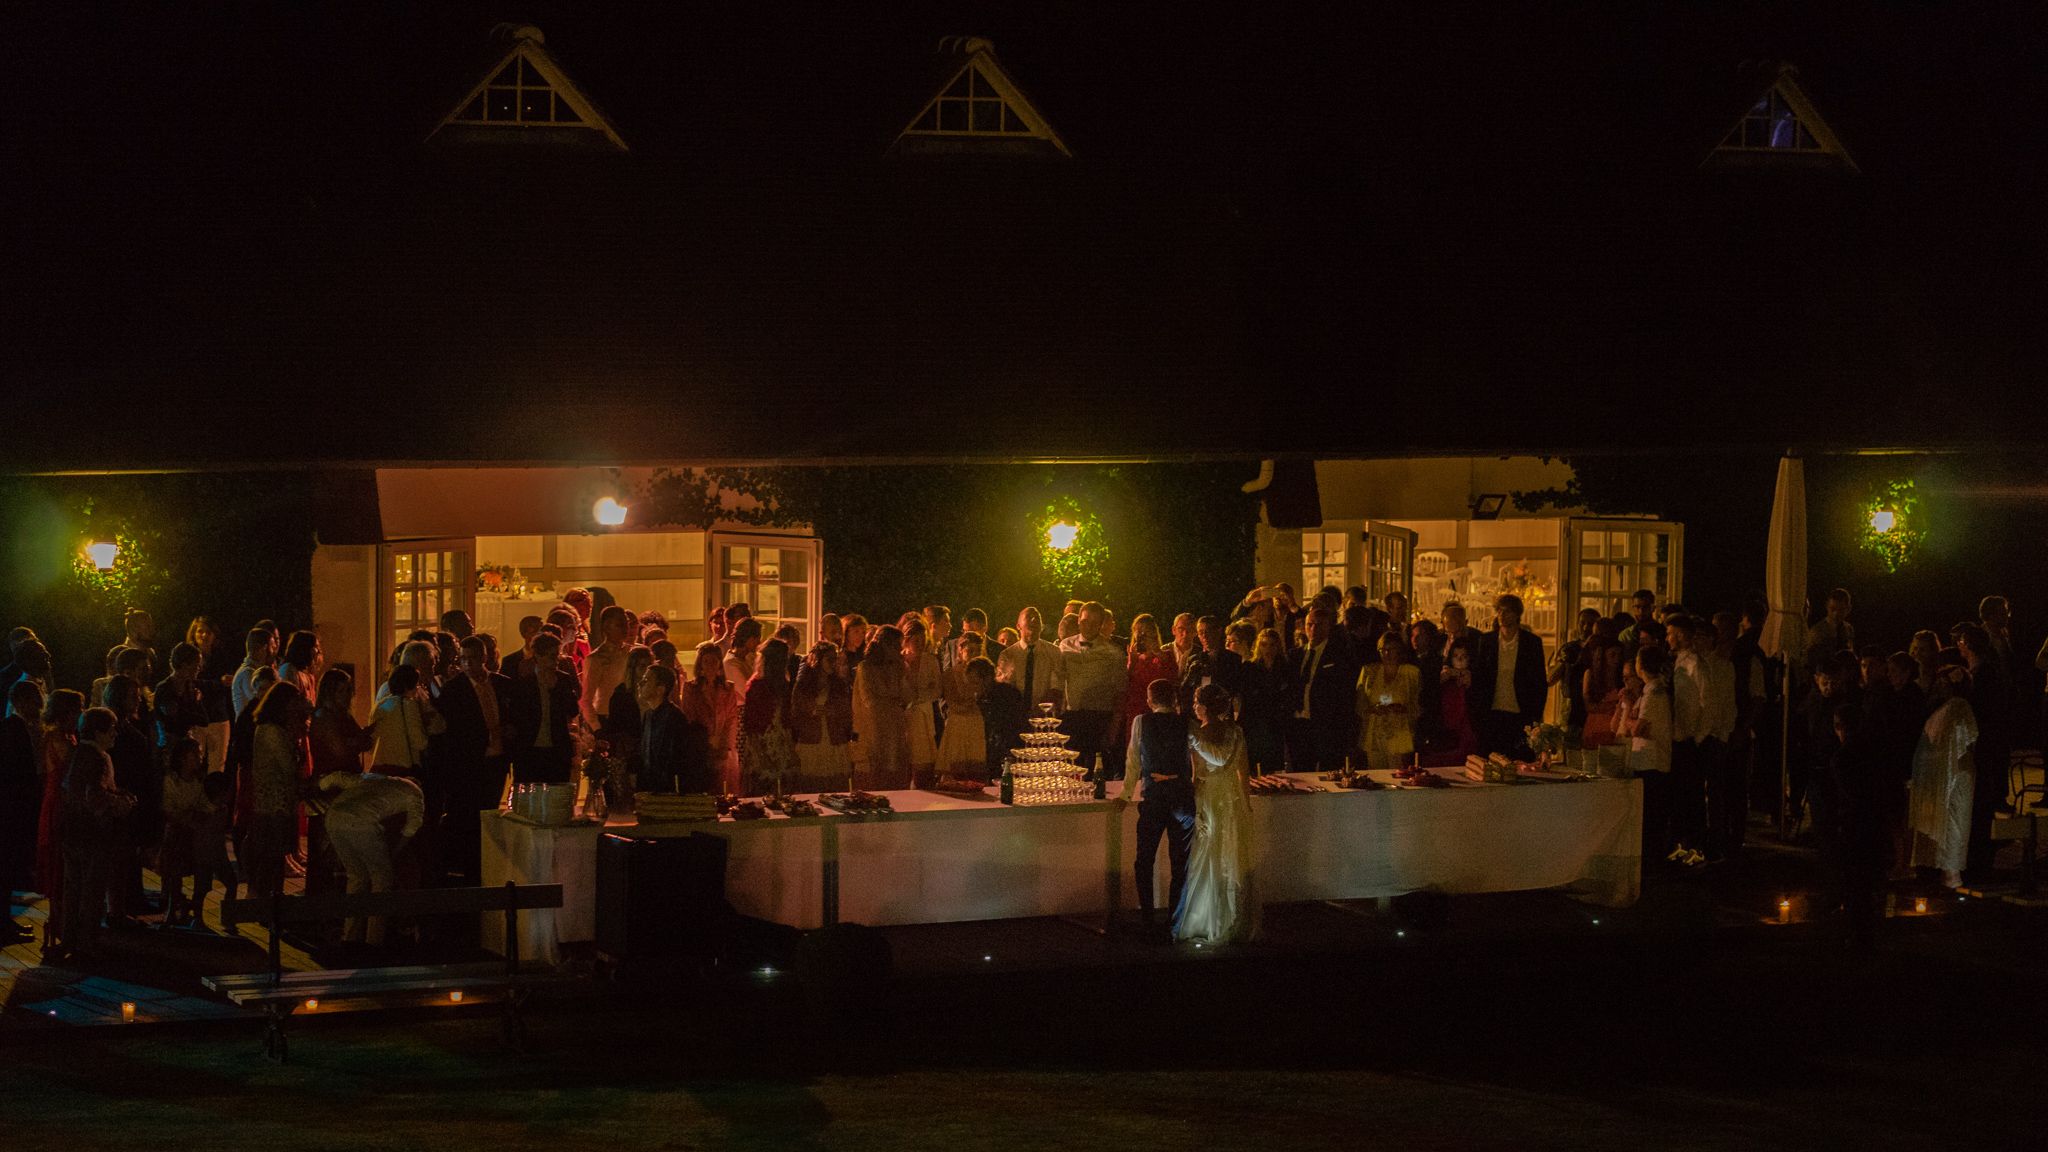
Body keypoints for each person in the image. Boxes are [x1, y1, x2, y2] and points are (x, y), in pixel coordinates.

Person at [1176, 683, 1260, 944]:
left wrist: (1192, 800)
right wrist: (1245, 803)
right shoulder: (1236, 732)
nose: (1192, 706)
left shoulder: (1196, 734)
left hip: (1209, 796)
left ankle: (1210, 918)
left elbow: (1195, 774)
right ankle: (1234, 919)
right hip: (1231, 796)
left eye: (1195, 702)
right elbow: (1243, 771)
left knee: (1210, 854)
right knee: (1230, 854)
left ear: (1204, 707)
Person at [1118, 678, 1195, 933]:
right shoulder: (1188, 723)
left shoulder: (1141, 722)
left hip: (1153, 799)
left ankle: (1148, 919)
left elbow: (1133, 761)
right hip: (1182, 799)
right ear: (1174, 700)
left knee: (1144, 861)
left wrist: (1126, 794)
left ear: (1150, 700)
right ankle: (1175, 922)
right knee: (1180, 863)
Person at [58, 708, 134, 961]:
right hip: (93, 834)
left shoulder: (77, 753)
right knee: (92, 889)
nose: (115, 733)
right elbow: (95, 796)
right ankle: (87, 941)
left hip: (72, 832)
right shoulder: (100, 758)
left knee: (73, 888)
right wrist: (120, 803)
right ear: (99, 731)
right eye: (111, 728)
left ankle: (69, 936)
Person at [318, 769, 425, 947]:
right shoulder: (416, 792)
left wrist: (321, 785)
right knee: (381, 879)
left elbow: (339, 777)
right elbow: (412, 826)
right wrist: (396, 851)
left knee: (356, 877)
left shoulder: (377, 778)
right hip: (363, 822)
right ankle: (373, 940)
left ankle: (350, 937)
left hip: (334, 818)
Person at [435, 639, 513, 883]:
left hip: (497, 760)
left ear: (484, 657)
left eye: (472, 658)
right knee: (470, 818)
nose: (468, 664)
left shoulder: (501, 684)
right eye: (463, 659)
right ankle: (472, 871)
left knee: (491, 812)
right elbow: (455, 731)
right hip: (470, 764)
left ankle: (489, 865)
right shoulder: (454, 689)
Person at [1953, 622, 2011, 878]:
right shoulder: (1985, 671)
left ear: (1966, 645)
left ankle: (1978, 861)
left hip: (1982, 747)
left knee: (1978, 804)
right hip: (1986, 746)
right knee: (1978, 804)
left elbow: (1980, 711)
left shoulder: (1982, 674)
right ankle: (1977, 858)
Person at [245, 684, 309, 902]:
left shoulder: (272, 729)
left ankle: (271, 899)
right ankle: (265, 900)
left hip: (276, 801)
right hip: (274, 803)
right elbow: (288, 765)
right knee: (271, 855)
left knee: (274, 856)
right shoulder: (272, 731)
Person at [34, 689, 84, 951]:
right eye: (78, 710)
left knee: (62, 867)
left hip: (60, 800)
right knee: (57, 865)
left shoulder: (68, 735)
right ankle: (56, 924)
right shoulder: (56, 737)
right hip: (58, 804)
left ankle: (61, 924)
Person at [105, 676, 158, 915]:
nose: (138, 700)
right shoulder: (116, 729)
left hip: (133, 795)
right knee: (123, 852)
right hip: (124, 796)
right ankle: (125, 903)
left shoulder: (127, 725)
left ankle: (133, 896)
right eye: (133, 696)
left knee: (131, 851)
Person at [1472, 594, 1547, 759]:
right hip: (1492, 711)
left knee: (1519, 757)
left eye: (1507, 611)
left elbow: (1539, 681)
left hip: (1520, 712)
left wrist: (1536, 715)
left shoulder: (1531, 643)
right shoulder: (1487, 641)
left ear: (1517, 614)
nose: (1502, 615)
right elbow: (1479, 678)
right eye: (1499, 611)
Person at [1059, 603, 1127, 781]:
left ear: (1101, 624)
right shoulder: (1064, 646)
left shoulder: (1114, 653)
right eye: (1085, 621)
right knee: (1069, 772)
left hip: (1099, 718)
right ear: (1079, 621)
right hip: (1071, 716)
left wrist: (1114, 727)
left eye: (1094, 623)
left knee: (1095, 774)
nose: (1088, 626)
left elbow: (1120, 692)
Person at [1623, 645, 1676, 862]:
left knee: (1650, 816)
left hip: (1651, 762)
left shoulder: (1654, 693)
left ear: (1641, 666)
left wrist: (1627, 714)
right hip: (1648, 760)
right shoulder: (1651, 691)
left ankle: (1652, 861)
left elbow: (1639, 729)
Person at [1285, 603, 1353, 773]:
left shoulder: (1338, 654)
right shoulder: (1295, 655)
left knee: (1327, 770)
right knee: (1301, 771)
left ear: (1328, 626)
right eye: (1310, 624)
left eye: (1319, 624)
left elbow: (1343, 692)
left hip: (1324, 725)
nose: (1313, 629)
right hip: (1298, 724)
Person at [1, 678, 43, 943]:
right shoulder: (14, 730)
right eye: (34, 701)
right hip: (11, 810)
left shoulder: (14, 727)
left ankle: (6, 923)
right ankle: (4, 926)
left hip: (11, 808)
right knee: (5, 870)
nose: (38, 707)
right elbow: (18, 774)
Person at [508, 633, 579, 784]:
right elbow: (518, 717)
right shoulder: (525, 684)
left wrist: (555, 690)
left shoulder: (563, 680)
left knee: (556, 795)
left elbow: (573, 710)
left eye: (557, 655)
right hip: (530, 750)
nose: (556, 660)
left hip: (557, 750)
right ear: (538, 657)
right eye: (551, 656)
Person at [639, 665, 712, 794]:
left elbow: (674, 758)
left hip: (669, 790)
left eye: (646, 680)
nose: (640, 684)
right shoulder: (648, 715)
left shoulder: (674, 718)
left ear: (660, 689)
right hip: (652, 788)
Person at [790, 643, 853, 792]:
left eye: (835, 659)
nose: (833, 663)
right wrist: (812, 710)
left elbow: (846, 710)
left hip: (834, 738)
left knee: (835, 783)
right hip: (812, 738)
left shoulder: (838, 684)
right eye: (829, 659)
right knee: (813, 783)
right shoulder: (804, 684)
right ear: (818, 660)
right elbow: (796, 709)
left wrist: (833, 711)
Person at [852, 626, 910, 790]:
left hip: (895, 728)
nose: (900, 650)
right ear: (885, 645)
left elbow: (908, 696)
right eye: (897, 645)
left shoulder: (897, 668)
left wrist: (904, 672)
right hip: (874, 729)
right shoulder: (866, 668)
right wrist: (892, 702)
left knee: (896, 773)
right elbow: (869, 701)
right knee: (876, 774)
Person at [739, 639, 798, 796]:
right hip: (763, 741)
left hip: (779, 741)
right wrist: (760, 753)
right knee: (763, 788)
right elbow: (751, 724)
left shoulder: (782, 684)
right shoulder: (757, 685)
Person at [680, 642, 741, 794]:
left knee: (725, 789)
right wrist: (706, 740)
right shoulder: (690, 688)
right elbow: (690, 717)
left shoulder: (728, 688)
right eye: (706, 661)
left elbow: (732, 719)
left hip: (722, 747)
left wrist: (725, 745)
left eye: (714, 661)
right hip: (700, 747)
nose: (710, 666)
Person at [158, 737, 206, 927]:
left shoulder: (199, 781)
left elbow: (203, 805)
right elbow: (168, 808)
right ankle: (172, 908)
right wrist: (187, 817)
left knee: (200, 873)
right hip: (177, 833)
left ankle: (197, 910)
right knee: (174, 874)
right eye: (195, 754)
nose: (199, 757)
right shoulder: (172, 781)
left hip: (193, 833)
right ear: (182, 758)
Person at [1356, 632, 1420, 771]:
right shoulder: (1369, 672)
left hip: (1400, 732)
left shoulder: (1411, 673)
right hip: (1374, 732)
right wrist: (1372, 709)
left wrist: (1403, 709)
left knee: (1398, 771)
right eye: (1383, 650)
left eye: (1391, 649)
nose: (1387, 654)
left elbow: (1417, 702)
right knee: (1375, 772)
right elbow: (1360, 703)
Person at [368, 664, 437, 777]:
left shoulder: (380, 705)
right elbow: (419, 742)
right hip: (402, 770)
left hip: (379, 769)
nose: (418, 687)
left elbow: (371, 744)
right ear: (408, 685)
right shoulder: (408, 705)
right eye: (417, 684)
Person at [935, 636, 987, 782]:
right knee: (955, 769)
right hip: (957, 724)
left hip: (976, 723)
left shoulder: (985, 674)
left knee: (975, 770)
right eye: (970, 651)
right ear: (960, 650)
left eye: (977, 651)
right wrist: (966, 706)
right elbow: (951, 701)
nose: (973, 655)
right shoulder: (950, 674)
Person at [1237, 628, 1289, 775]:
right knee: (1255, 762)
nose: (1268, 649)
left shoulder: (1284, 668)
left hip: (1275, 722)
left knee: (1273, 763)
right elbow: (1247, 696)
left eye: (1272, 645)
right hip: (1255, 722)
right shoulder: (1250, 668)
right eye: (1264, 644)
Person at [997, 608, 1065, 719]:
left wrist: (1039, 711)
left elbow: (1057, 687)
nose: (1033, 620)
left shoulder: (1053, 652)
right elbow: (1005, 688)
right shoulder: (1008, 655)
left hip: (1044, 716)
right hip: (1015, 716)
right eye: (1028, 617)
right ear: (1018, 626)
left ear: (1042, 627)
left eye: (1037, 618)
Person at [189, 771, 236, 930]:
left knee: (203, 888)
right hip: (210, 855)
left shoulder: (217, 809)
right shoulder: (210, 812)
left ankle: (200, 918)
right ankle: (223, 919)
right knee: (204, 888)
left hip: (210, 854)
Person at [580, 605, 634, 733]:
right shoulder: (597, 659)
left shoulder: (631, 652)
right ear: (606, 627)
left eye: (626, 624)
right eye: (620, 624)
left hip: (630, 716)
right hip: (607, 718)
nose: (626, 628)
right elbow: (586, 699)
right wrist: (597, 728)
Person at [902, 620, 941, 784]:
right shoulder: (899, 659)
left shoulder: (930, 660)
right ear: (907, 640)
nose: (920, 643)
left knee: (924, 759)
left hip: (923, 714)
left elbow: (938, 689)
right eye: (916, 640)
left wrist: (920, 697)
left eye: (923, 639)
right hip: (903, 715)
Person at [1804, 588, 1856, 671]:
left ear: (1848, 609)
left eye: (1841, 610)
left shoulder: (1848, 629)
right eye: (1833, 609)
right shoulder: (1818, 631)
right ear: (1827, 606)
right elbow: (1810, 660)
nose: (1836, 614)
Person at [230, 627, 274, 718]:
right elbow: (261, 703)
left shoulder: (251, 671)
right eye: (272, 646)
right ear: (264, 648)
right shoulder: (248, 673)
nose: (274, 651)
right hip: (247, 730)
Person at [277, 631, 323, 701]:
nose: (318, 651)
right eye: (316, 647)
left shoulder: (309, 675)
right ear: (305, 648)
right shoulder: (288, 670)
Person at [723, 617, 764, 691]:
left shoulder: (746, 659)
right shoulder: (730, 664)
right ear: (748, 638)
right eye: (757, 639)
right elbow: (745, 691)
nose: (759, 643)